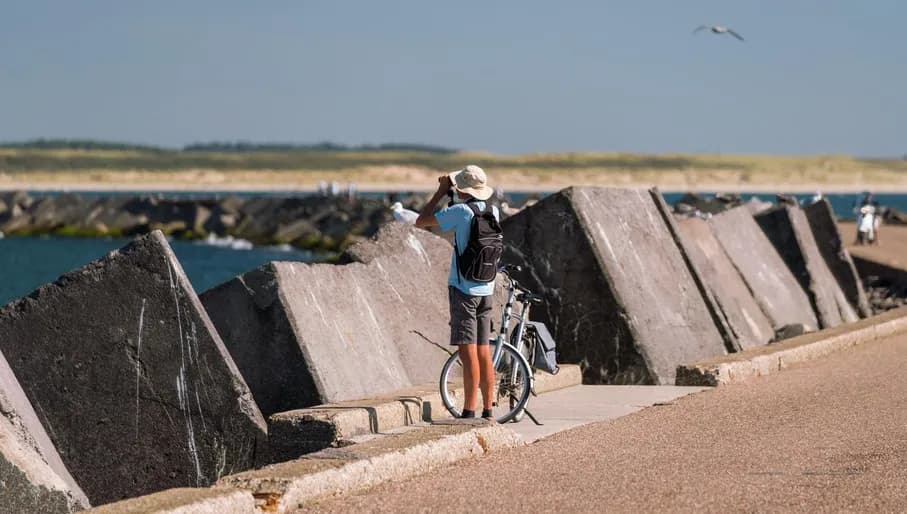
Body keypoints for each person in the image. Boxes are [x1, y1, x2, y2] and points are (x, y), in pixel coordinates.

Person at [415, 165, 499, 420]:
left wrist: (441, 191)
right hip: (487, 288)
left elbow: (422, 221)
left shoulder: (461, 211)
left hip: (464, 290)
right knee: (484, 350)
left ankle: (469, 411)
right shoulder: (493, 210)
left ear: (464, 190)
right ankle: (488, 409)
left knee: (468, 351)